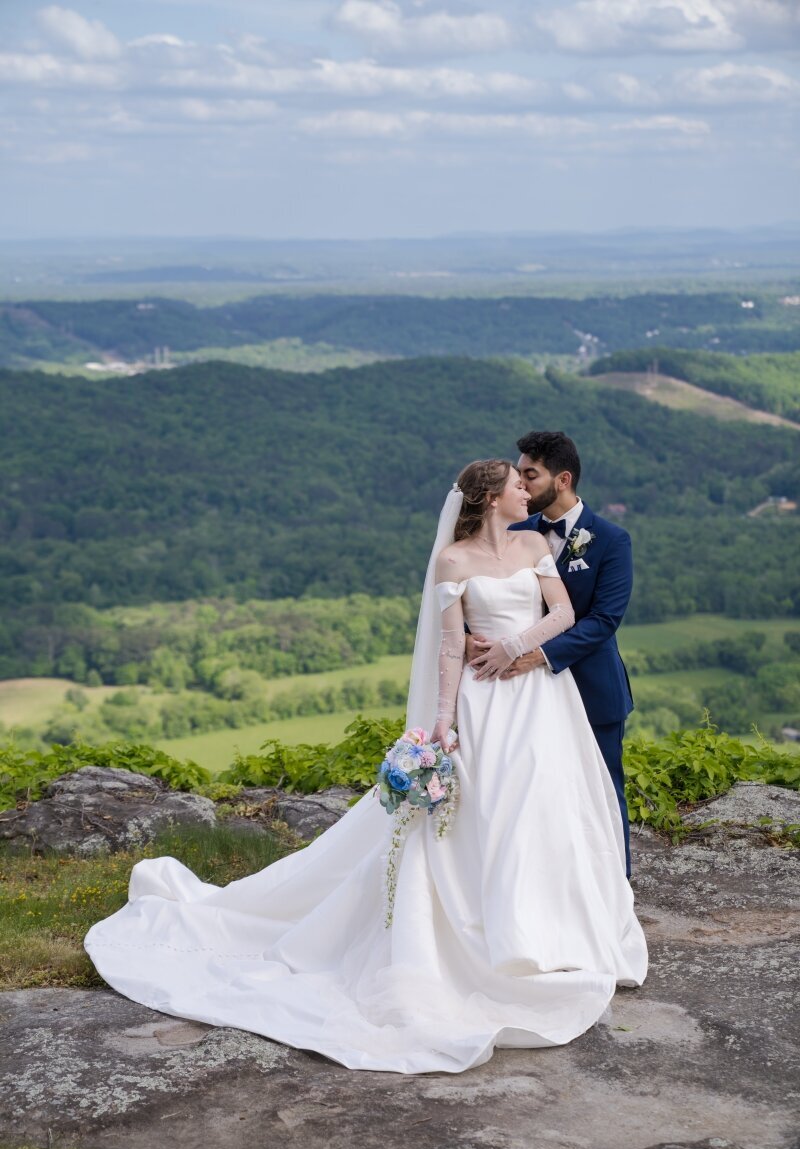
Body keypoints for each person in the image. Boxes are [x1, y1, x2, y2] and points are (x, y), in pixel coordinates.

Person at [84, 458, 647, 1075]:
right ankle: (499, 944)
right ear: (489, 499)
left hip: (538, 697)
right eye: (517, 485)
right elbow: (452, 646)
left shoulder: (535, 542)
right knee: (492, 813)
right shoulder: (452, 562)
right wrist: (442, 722)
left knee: (544, 808)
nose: (526, 492)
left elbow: (564, 613)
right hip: (482, 706)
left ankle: (556, 936)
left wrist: (517, 648)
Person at [469, 432, 635, 877]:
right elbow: (477, 596)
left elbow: (603, 621)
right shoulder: (514, 531)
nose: (520, 485)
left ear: (562, 479)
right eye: (518, 476)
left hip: (590, 689)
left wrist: (536, 654)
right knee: (532, 798)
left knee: (601, 792)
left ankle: (615, 890)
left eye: (530, 475)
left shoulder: (611, 540)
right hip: (522, 696)